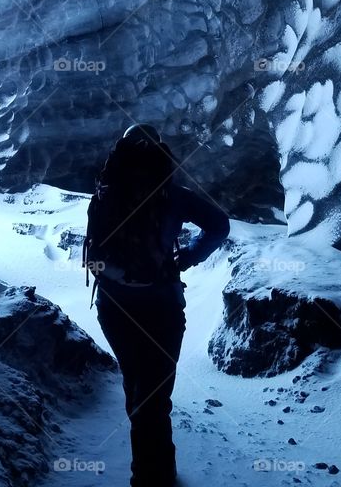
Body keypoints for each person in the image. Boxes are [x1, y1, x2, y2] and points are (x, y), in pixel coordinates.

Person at [83, 123, 230, 487]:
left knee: (139, 389)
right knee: (154, 396)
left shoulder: (105, 195)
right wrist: (188, 257)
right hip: (162, 306)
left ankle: (151, 474)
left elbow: (93, 256)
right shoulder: (173, 195)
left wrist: (119, 276)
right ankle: (155, 477)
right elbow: (219, 225)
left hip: (115, 308)